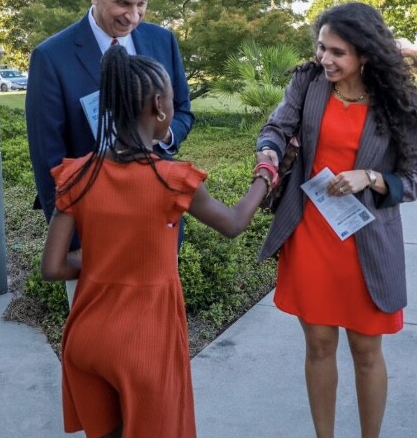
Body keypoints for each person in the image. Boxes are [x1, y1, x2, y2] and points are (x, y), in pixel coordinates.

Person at [41, 46, 276, 438]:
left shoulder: (76, 176)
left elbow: (53, 268)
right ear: (159, 107)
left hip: (86, 339)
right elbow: (234, 223)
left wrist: (97, 262)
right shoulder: (171, 180)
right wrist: (265, 176)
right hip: (145, 342)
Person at [256, 2, 417, 438]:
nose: (325, 59)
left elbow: (414, 180)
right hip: (311, 235)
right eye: (321, 48)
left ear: (365, 55)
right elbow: (278, 127)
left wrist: (370, 177)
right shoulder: (308, 84)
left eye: (337, 52)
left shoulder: (396, 104)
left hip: (367, 244)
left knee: (365, 351)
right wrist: (268, 150)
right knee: (318, 346)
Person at [26, 0, 194, 303]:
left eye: (142, 4)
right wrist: (73, 240)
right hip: (92, 236)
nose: (133, 16)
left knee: (153, 338)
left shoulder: (162, 41)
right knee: (101, 344)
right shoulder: (52, 57)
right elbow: (48, 158)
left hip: (156, 230)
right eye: (122, 4)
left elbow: (182, 112)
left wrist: (162, 137)